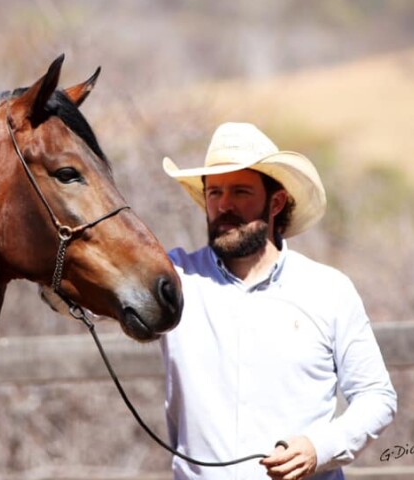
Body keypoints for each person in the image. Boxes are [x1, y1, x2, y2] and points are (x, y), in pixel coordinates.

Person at [159, 122, 397, 480]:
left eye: (240, 191)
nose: (224, 205)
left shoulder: (328, 290)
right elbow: (90, 286)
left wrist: (320, 448)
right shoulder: (173, 280)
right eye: (214, 193)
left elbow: (377, 396)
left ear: (276, 202)